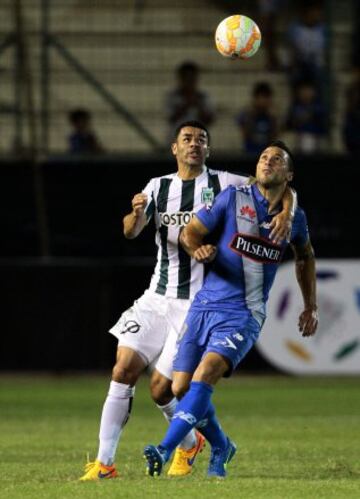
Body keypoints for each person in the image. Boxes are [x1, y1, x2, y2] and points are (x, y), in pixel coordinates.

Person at [80, 121, 296, 481]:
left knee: (163, 389)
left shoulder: (225, 183)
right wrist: (135, 215)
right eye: (187, 139)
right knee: (122, 369)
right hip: (156, 297)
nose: (194, 144)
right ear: (174, 148)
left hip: (198, 303)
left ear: (208, 150)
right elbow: (131, 231)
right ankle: (104, 465)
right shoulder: (157, 186)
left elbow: (276, 185)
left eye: (202, 140)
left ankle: (192, 443)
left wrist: (287, 210)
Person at [143, 140, 318, 478]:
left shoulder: (294, 219)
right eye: (263, 157)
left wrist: (310, 305)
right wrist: (198, 251)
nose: (268, 162)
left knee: (205, 374)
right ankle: (222, 446)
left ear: (289, 173)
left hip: (244, 312)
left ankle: (164, 450)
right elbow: (189, 234)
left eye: (277, 160)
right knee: (179, 389)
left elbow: (306, 256)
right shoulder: (232, 198)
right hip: (204, 305)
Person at [164, 62, 216, 145]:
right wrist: (186, 105)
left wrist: (198, 105)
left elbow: (210, 120)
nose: (189, 82)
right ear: (181, 79)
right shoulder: (172, 97)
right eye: (186, 78)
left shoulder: (203, 97)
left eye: (191, 78)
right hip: (177, 140)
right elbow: (171, 119)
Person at [285, 79, 327, 153]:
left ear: (314, 92)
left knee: (309, 141)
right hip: (299, 137)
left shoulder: (319, 107)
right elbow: (290, 124)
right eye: (303, 90)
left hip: (315, 136)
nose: (306, 93)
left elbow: (323, 125)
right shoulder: (295, 107)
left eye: (308, 90)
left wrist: (310, 115)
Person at [236, 82, 278, 154]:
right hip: (250, 154)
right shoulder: (246, 115)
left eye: (265, 98)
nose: (262, 101)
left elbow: (274, 136)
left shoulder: (272, 116)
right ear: (255, 98)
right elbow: (246, 134)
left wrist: (273, 118)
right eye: (260, 97)